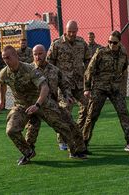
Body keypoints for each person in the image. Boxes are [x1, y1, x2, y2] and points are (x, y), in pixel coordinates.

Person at [0, 45, 87, 166]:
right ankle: (28, 152)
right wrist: (2, 102)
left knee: (62, 126)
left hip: (42, 103)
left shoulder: (30, 69)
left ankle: (75, 150)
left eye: (8, 57)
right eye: (3, 58)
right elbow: (2, 85)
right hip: (22, 106)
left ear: (16, 56)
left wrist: (38, 105)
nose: (6, 60)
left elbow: (45, 87)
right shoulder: (4, 73)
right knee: (11, 130)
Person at [83, 30, 129, 154]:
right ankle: (84, 143)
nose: (111, 44)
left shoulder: (123, 54)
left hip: (115, 89)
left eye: (114, 42)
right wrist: (87, 88)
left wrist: (122, 89)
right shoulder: (101, 53)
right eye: (109, 42)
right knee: (92, 115)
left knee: (124, 113)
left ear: (119, 42)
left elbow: (124, 70)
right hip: (100, 88)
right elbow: (89, 70)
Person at [25, 44, 86, 153]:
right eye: (35, 54)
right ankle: (28, 152)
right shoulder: (29, 70)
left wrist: (67, 95)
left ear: (45, 54)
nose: (38, 57)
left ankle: (78, 148)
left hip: (51, 105)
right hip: (35, 106)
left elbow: (64, 84)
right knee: (32, 129)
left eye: (40, 54)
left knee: (69, 123)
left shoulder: (54, 70)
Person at [47, 20, 91, 150]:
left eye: (74, 31)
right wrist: (53, 81)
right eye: (69, 31)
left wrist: (88, 75)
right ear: (65, 31)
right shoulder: (57, 44)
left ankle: (78, 134)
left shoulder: (81, 43)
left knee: (88, 106)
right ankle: (62, 139)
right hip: (63, 85)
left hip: (79, 84)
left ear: (77, 30)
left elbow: (89, 60)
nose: (72, 34)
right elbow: (49, 62)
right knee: (65, 110)